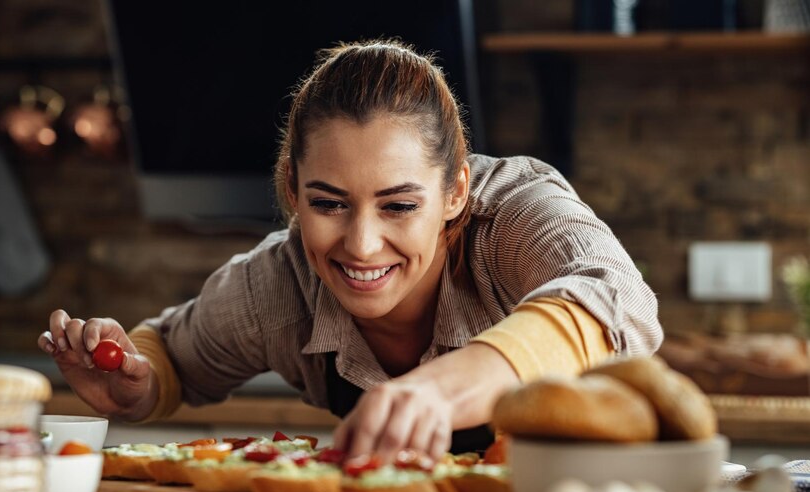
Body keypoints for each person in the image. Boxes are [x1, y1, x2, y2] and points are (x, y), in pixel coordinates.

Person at [38, 40, 662, 462]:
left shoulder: (510, 215)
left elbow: (618, 300)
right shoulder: (276, 288)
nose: (362, 245)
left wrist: (439, 391)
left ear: (455, 190)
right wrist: (132, 387)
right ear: (292, 191)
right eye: (329, 203)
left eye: (399, 205)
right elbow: (170, 356)